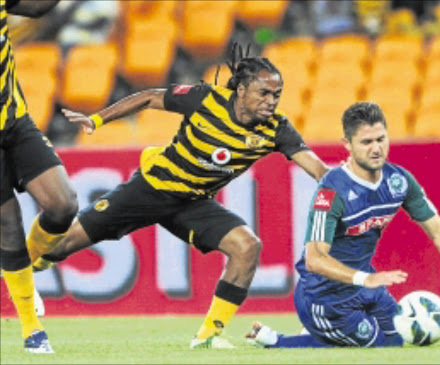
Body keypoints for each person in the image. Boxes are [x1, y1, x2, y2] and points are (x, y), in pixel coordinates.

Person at [34, 44, 330, 349]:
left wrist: (348, 187)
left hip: (193, 203)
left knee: (247, 247)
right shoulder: (206, 99)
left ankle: (208, 336)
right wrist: (97, 120)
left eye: (276, 95)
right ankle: (24, 274)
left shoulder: (276, 129)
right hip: (151, 188)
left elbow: (318, 169)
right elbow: (148, 97)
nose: (271, 101)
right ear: (241, 89)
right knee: (63, 243)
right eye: (264, 93)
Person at [246, 101, 440, 348]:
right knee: (381, 347)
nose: (376, 149)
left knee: (399, 337)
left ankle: (323, 333)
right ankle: (275, 340)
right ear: (347, 145)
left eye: (381, 139)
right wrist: (364, 279)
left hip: (364, 286)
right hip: (323, 296)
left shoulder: (399, 181)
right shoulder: (331, 191)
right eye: (366, 142)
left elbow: (438, 230)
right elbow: (314, 259)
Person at [0, 0, 78, 354]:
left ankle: (31, 266)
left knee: (63, 204)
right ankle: (32, 329)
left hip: (15, 122)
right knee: (8, 224)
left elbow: (33, 8)